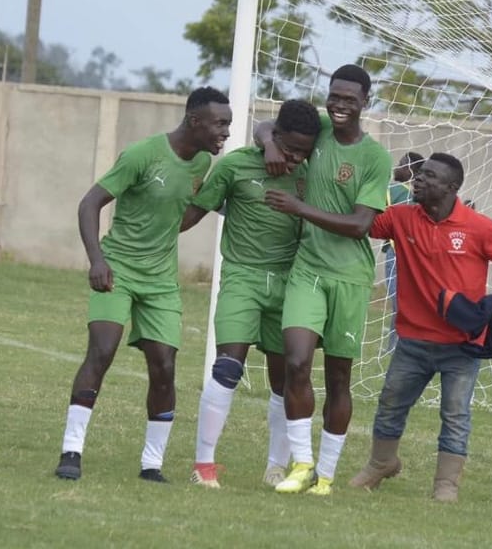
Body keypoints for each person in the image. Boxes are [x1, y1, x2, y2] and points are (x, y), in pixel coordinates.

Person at [54, 87, 231, 482]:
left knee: (165, 367)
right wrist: (97, 259)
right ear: (194, 121)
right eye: (220, 124)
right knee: (101, 352)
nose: (225, 132)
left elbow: (180, 217)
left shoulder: (203, 162)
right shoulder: (142, 154)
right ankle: (71, 451)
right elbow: (89, 204)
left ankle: (152, 465)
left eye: (228, 125)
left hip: (161, 280)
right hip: (117, 269)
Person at [350, 153, 492, 502]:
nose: (418, 180)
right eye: (418, 174)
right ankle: (381, 463)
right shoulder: (400, 218)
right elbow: (361, 223)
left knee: (455, 414)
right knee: (390, 404)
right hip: (412, 340)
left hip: (461, 344)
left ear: (451, 187)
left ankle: (446, 485)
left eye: (428, 176)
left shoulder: (477, 226)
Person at [259, 64, 393, 496]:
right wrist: (268, 146)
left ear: (364, 103)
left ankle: (328, 474)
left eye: (349, 99)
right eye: (334, 96)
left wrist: (300, 209)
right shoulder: (315, 126)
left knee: (338, 377)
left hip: (351, 277)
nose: (339, 105)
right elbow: (268, 125)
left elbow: (359, 225)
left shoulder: (375, 157)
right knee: (295, 362)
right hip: (308, 270)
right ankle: (301, 464)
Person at [184, 99, 321, 489]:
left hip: (290, 282)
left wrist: (271, 139)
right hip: (242, 277)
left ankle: (276, 466)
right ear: (275, 138)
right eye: (289, 149)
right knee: (228, 367)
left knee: (287, 377)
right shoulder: (234, 166)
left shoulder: (311, 173)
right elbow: (193, 214)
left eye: (303, 153)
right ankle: (204, 465)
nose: (295, 159)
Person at [383, 151, 424, 354]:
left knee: (403, 305)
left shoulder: (397, 190)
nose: (396, 167)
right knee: (399, 305)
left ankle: (399, 348)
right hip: (397, 252)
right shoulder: (405, 192)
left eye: (401, 164)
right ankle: (394, 348)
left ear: (411, 170)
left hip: (404, 256)